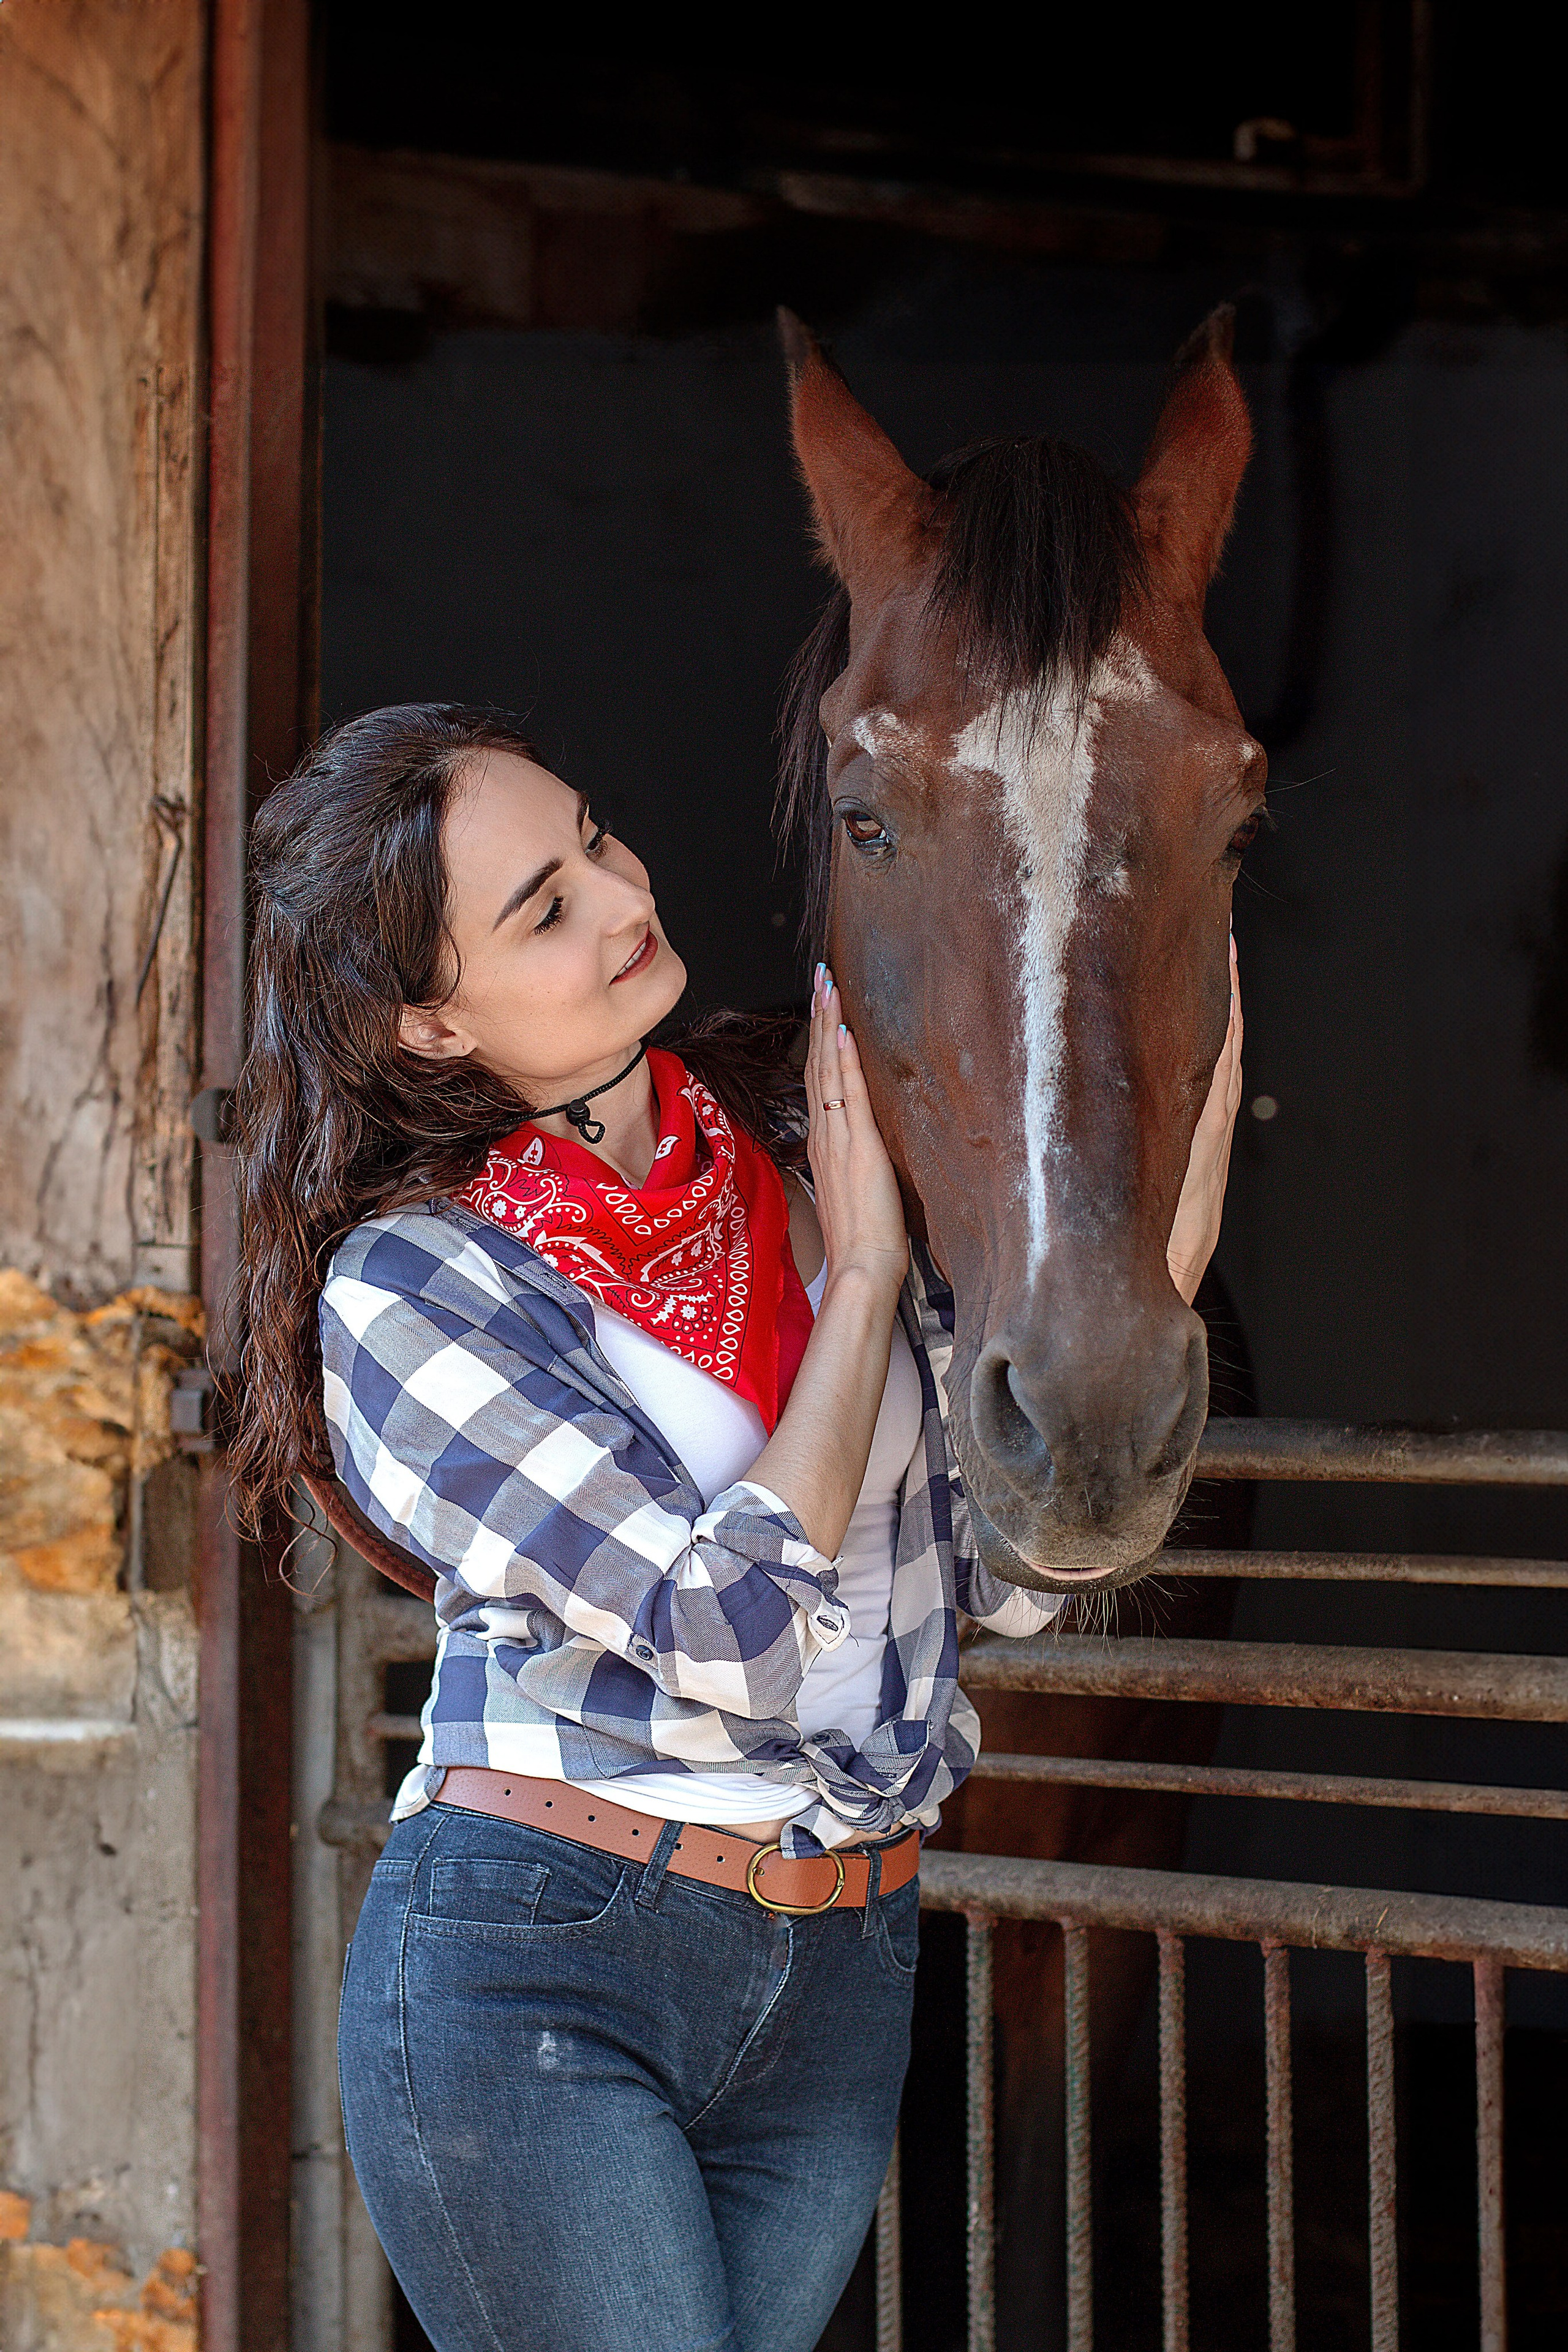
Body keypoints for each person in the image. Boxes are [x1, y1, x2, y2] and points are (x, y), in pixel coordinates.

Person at [230, 703, 1241, 2352]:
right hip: (548, 1967)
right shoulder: (416, 1288)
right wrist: (857, 1292)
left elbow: (992, 1568)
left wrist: (1164, 1219)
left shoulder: (797, 1153)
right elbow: (734, 1630)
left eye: (598, 840)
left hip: (837, 1964)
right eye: (543, 908)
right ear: (424, 1022)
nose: (624, 899)